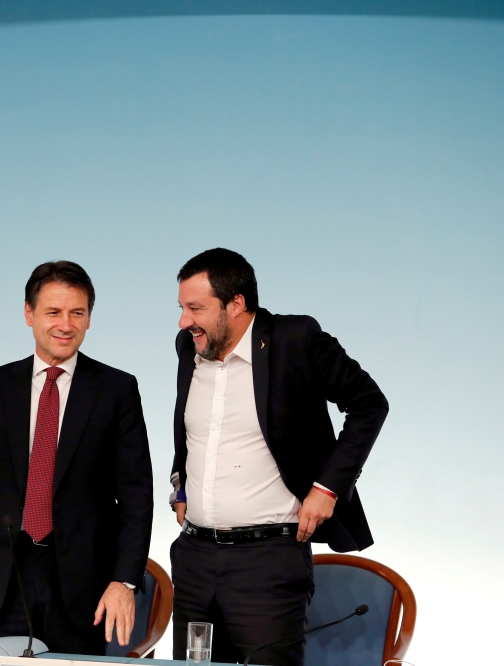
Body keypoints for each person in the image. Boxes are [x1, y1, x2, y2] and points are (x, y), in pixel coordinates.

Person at [169, 248, 389, 666]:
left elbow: (369, 403)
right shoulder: (189, 346)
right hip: (194, 561)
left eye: (195, 308)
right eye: (181, 308)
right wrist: (179, 484)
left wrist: (328, 488)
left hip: (267, 562)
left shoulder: (295, 340)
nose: (184, 321)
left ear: (236, 304)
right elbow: (195, 431)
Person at [0, 261, 153, 655]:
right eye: (53, 312)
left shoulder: (117, 389)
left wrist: (123, 582)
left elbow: (136, 496)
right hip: (1, 580)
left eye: (78, 313)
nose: (66, 324)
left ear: (90, 318)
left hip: (82, 588)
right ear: (29, 314)